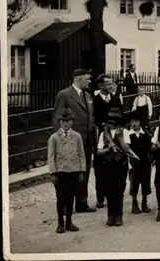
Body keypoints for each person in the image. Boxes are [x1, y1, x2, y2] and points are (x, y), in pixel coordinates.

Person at [52, 69, 97, 213]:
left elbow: (91, 118)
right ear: (79, 79)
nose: (90, 81)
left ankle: (81, 202)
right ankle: (65, 205)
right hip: (71, 141)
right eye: (87, 79)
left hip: (87, 140)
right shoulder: (64, 95)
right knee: (69, 173)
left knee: (83, 171)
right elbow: (57, 118)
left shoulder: (88, 95)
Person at [47, 108, 85, 233]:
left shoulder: (77, 136)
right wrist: (53, 172)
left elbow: (81, 154)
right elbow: (51, 156)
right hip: (60, 172)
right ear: (59, 122)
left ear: (72, 122)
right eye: (63, 120)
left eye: (68, 120)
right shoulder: (54, 138)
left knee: (71, 197)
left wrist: (81, 171)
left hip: (73, 171)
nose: (65, 123)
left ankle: (69, 222)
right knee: (61, 198)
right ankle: (60, 223)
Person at [92, 74, 124, 208]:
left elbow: (122, 116)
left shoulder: (116, 99)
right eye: (108, 84)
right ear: (101, 86)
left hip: (115, 137)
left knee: (115, 165)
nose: (112, 86)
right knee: (100, 168)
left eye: (112, 83)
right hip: (101, 136)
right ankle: (100, 196)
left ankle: (114, 195)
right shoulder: (95, 101)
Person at [96, 108, 131, 226]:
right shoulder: (103, 134)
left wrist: (120, 139)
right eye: (110, 120)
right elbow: (99, 152)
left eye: (114, 120)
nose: (111, 123)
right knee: (109, 191)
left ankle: (119, 216)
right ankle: (110, 215)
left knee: (119, 190)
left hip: (121, 164)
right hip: (108, 164)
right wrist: (108, 149)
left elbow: (127, 150)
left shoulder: (124, 132)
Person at [127, 111, 153, 214]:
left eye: (137, 121)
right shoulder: (128, 134)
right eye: (132, 121)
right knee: (134, 182)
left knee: (145, 182)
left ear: (140, 122)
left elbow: (150, 146)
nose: (135, 123)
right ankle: (134, 203)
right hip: (134, 162)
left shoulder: (145, 133)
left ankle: (144, 202)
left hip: (145, 161)